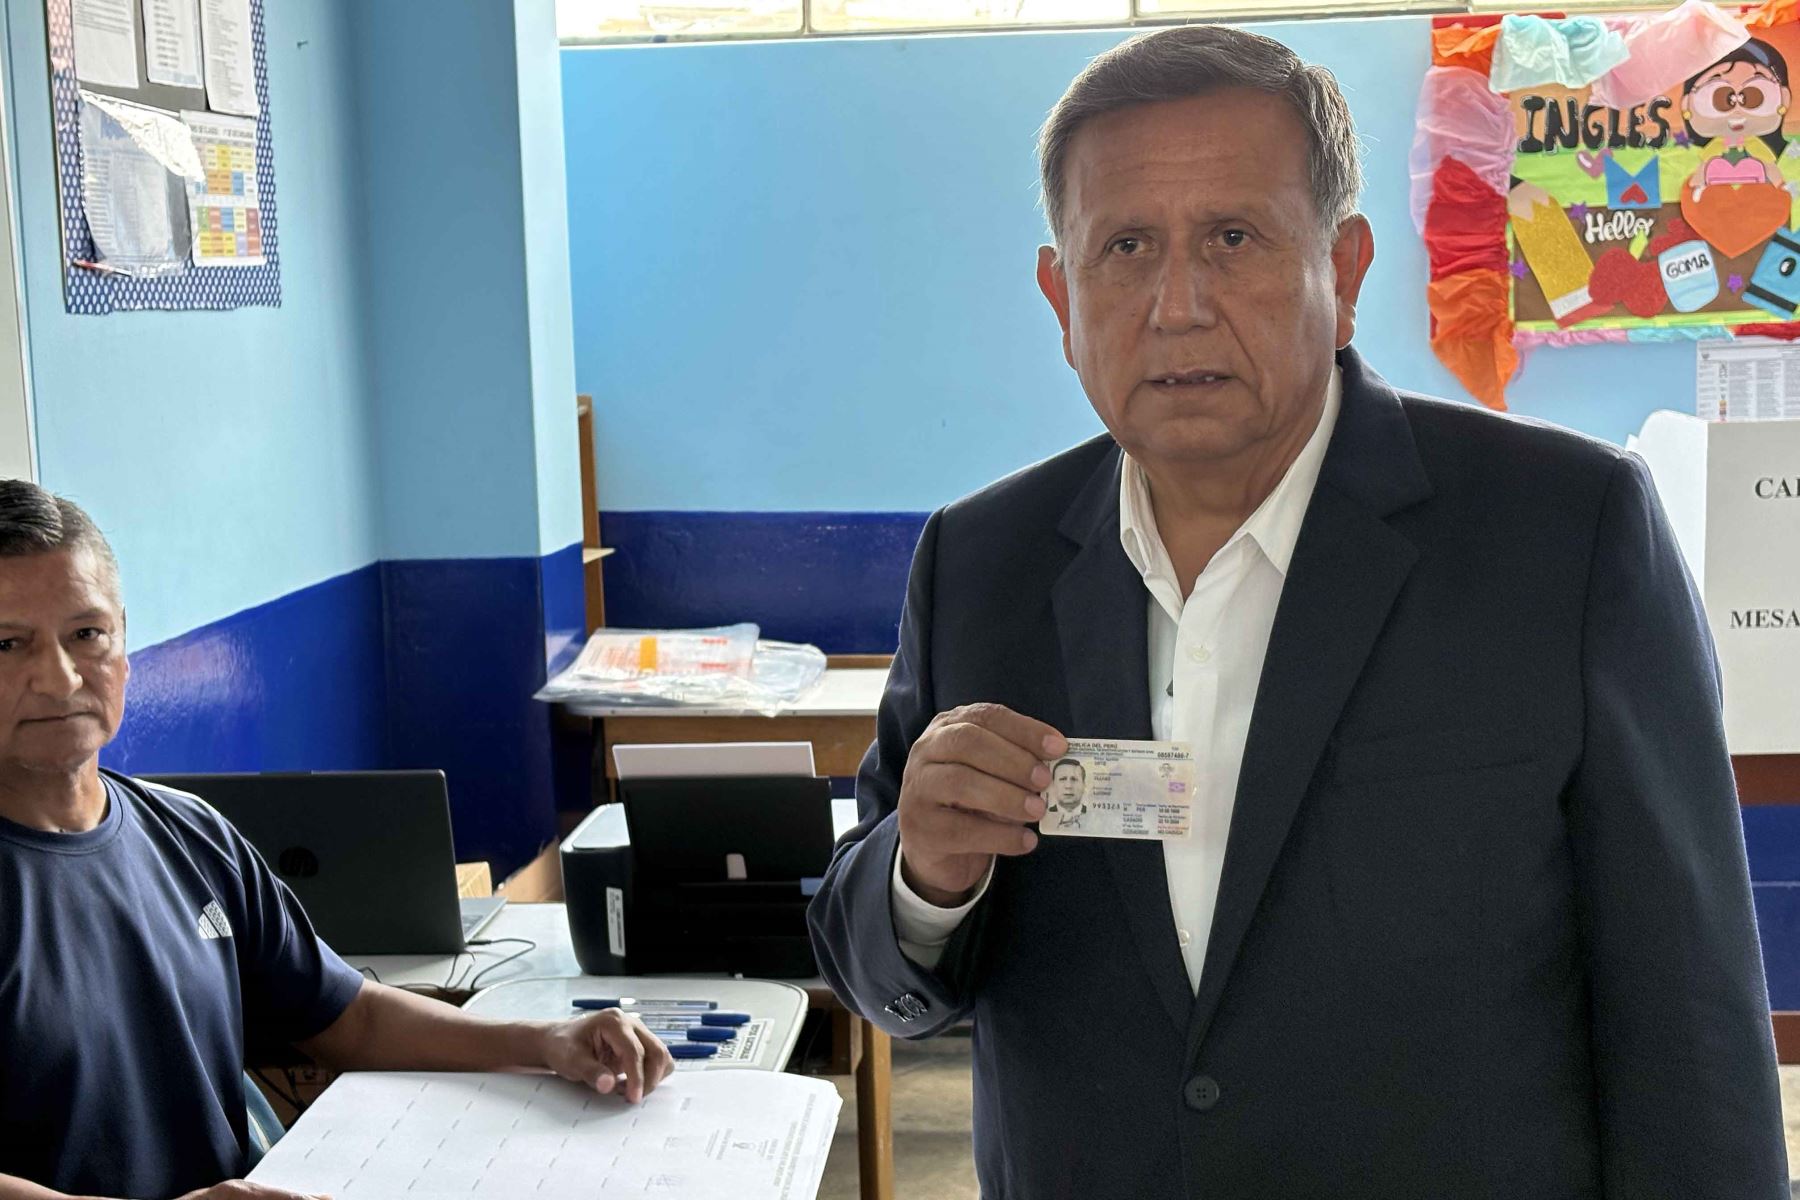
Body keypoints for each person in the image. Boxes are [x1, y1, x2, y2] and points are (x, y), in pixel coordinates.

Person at [808, 24, 1787, 1199]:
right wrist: (925, 874)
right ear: (1061, 294)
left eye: (1233, 238)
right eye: (1125, 247)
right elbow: (877, 967)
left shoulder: (1563, 535)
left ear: (1348, 269)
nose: (1177, 304)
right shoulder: (982, 564)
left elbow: (1690, 1028)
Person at [0, 480, 675, 1200]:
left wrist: (542, 1042)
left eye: (87, 634)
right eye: (9, 643)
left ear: (124, 645)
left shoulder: (193, 838)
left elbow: (348, 1016)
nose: (61, 676)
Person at [1045, 758, 1085, 829]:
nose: (1068, 786)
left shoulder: (1095, 814)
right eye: (1062, 779)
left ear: (1084, 785)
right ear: (1053, 785)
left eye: (1074, 779)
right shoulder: (1045, 815)